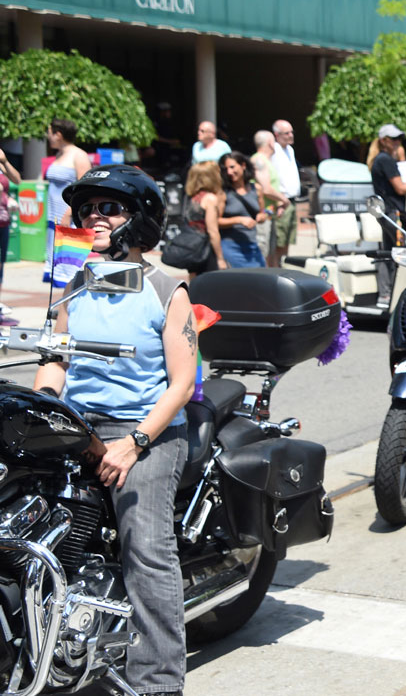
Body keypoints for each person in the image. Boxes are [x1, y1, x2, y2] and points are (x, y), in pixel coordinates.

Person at [34, 164, 195, 696]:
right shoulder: (75, 280)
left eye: (109, 208)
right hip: (78, 425)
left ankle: (158, 681)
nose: (95, 217)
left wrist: (135, 443)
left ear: (139, 220)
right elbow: (54, 361)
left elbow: (182, 383)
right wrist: (44, 406)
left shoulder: (166, 286)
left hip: (145, 426)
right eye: (88, 209)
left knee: (146, 546)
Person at [44, 118, 94, 284]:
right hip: (54, 219)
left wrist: (69, 213)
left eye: (50, 132)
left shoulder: (79, 155)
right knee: (57, 272)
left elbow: (84, 188)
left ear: (58, 134)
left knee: (69, 271)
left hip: (69, 220)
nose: (48, 136)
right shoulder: (60, 154)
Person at [371, 124, 406, 307]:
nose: (398, 142)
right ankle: (391, 293)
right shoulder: (385, 160)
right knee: (399, 252)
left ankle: (386, 293)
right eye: (394, 139)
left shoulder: (383, 159)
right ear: (384, 141)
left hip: (387, 211)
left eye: (399, 139)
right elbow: (401, 187)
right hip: (392, 212)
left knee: (390, 251)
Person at [216, 152, 268, 268]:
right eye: (226, 169)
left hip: (252, 246)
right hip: (231, 247)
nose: (229, 172)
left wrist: (261, 217)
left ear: (243, 165)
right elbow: (215, 222)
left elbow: (262, 213)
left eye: (232, 167)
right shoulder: (223, 193)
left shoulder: (257, 189)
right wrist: (238, 220)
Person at [250, 130, 290, 268]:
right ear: (270, 143)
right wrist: (284, 200)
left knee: (270, 252)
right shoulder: (259, 160)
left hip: (270, 215)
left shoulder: (266, 161)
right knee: (262, 251)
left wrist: (278, 202)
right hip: (262, 216)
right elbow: (266, 188)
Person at [184, 161, 228, 276]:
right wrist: (220, 259)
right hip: (207, 251)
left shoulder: (191, 197)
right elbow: (212, 231)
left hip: (192, 248)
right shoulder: (210, 199)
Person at [270, 119, 302, 264]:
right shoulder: (273, 151)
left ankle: (283, 270)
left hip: (292, 200)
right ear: (276, 135)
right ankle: (276, 272)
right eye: (286, 133)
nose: (290, 135)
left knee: (288, 239)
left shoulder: (290, 150)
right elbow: (272, 179)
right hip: (282, 202)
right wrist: (278, 202)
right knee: (279, 241)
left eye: (291, 132)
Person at [0, 146, 20, 323]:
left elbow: (17, 180)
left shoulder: (1, 161)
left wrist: (5, 161)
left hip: (3, 221)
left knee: (0, 265)